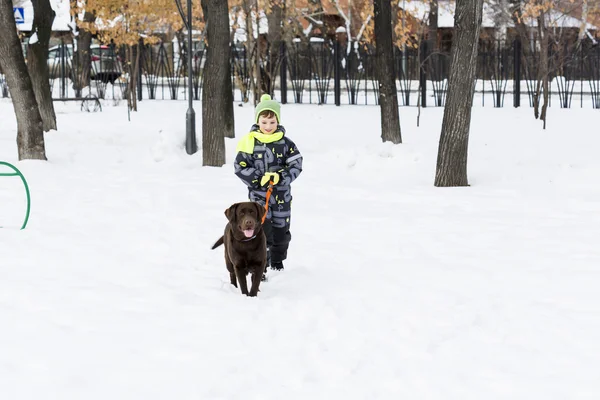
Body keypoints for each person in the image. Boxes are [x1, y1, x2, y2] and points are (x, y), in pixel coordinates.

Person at [234, 94, 303, 277]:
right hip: (259, 199)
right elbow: (239, 166)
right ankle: (260, 265)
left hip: (281, 197)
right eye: (264, 122)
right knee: (261, 230)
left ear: (277, 121)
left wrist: (280, 177)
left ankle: (278, 260)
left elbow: (296, 164)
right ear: (258, 121)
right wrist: (258, 179)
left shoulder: (286, 144)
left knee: (281, 231)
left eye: (272, 122)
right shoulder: (250, 142)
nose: (268, 127)